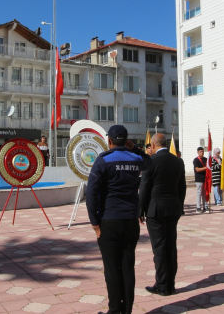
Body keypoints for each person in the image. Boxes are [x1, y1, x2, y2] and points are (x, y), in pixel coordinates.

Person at [86, 125, 153, 314]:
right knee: (127, 266)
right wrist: (135, 148)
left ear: (109, 141)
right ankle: (127, 310)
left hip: (109, 221)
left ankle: (115, 311)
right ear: (126, 140)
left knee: (111, 268)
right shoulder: (136, 158)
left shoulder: (103, 160)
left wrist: (94, 221)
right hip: (131, 220)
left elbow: (91, 192)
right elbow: (150, 163)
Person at [139, 134, 186, 296]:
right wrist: (179, 205)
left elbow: (144, 188)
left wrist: (140, 210)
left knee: (159, 248)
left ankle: (162, 285)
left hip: (155, 210)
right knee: (170, 246)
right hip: (173, 208)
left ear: (152, 144)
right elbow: (182, 187)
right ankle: (170, 284)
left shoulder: (150, 162)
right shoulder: (178, 161)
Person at [192, 147, 208, 213]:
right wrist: (205, 168)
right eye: (200, 151)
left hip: (205, 178)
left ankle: (205, 206)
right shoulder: (196, 160)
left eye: (203, 151)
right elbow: (197, 169)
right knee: (199, 193)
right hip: (199, 178)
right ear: (198, 152)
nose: (202, 152)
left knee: (205, 193)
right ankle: (198, 207)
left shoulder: (206, 159)